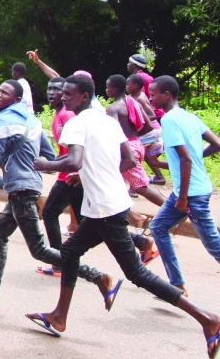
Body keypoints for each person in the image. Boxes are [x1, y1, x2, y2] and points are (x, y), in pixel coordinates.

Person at [29, 75, 220, 351]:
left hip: (106, 209)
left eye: (69, 93)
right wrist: (89, 177)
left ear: (84, 96)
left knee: (137, 274)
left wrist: (45, 163)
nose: (63, 97)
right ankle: (61, 315)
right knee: (70, 251)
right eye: (62, 93)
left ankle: (207, 318)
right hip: (107, 204)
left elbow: (73, 160)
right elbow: (128, 159)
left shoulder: (76, 123)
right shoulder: (107, 120)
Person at [0, 80, 116, 307]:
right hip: (28, 186)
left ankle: (97, 276)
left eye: (4, 92)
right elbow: (48, 155)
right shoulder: (33, 122)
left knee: (39, 250)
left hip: (21, 189)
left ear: (16, 100)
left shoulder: (5, 122)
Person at [148, 75, 220, 296]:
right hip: (191, 189)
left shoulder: (169, 120)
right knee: (158, 227)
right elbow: (216, 144)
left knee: (214, 246)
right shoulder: (190, 117)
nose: (150, 98)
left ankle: (176, 284)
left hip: (191, 193)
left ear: (166, 95)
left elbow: (186, 160)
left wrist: (182, 198)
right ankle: (176, 284)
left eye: (153, 94)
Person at [105, 74, 167, 207]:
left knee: (141, 187)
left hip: (126, 150)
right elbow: (149, 125)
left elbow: (114, 133)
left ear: (114, 90)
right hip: (136, 145)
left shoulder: (113, 108)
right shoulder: (133, 102)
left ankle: (173, 211)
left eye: (107, 88)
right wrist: (134, 137)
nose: (106, 90)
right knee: (113, 184)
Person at [39, 77, 84, 260]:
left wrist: (50, 164)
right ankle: (140, 242)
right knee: (89, 222)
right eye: (49, 89)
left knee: (49, 212)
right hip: (71, 172)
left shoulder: (67, 115)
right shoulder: (58, 115)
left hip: (70, 174)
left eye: (57, 90)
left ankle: (58, 260)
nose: (52, 93)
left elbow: (78, 150)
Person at [127, 73, 166, 184]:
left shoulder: (140, 98)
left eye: (127, 84)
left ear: (135, 86)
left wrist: (137, 121)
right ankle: (160, 177)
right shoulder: (135, 97)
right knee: (150, 158)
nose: (126, 87)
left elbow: (152, 115)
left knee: (132, 152)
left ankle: (134, 186)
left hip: (150, 130)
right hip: (151, 129)